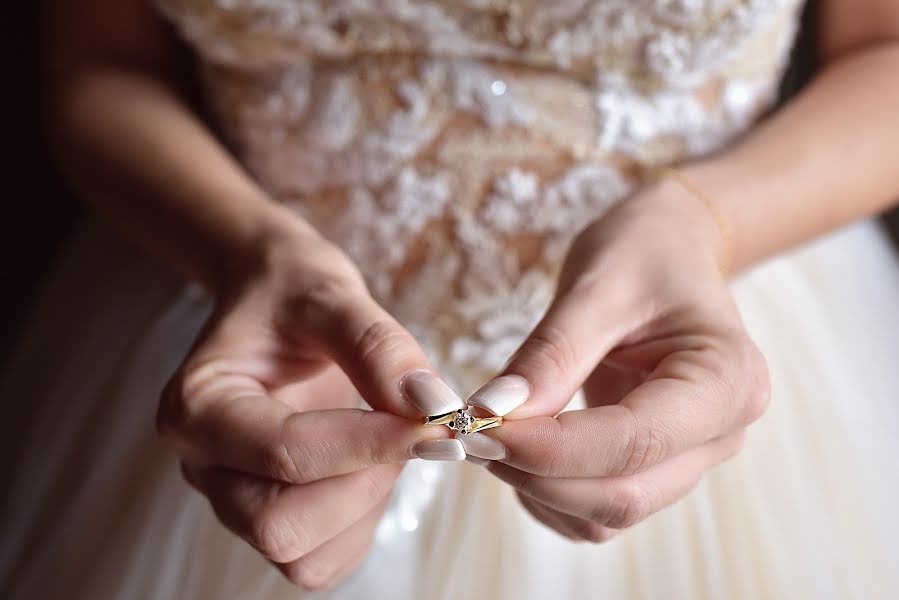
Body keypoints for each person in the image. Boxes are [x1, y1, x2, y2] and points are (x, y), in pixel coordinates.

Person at [3, 0, 899, 598]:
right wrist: (245, 246)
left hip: (686, 334)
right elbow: (100, 63)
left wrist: (705, 221)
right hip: (250, 335)